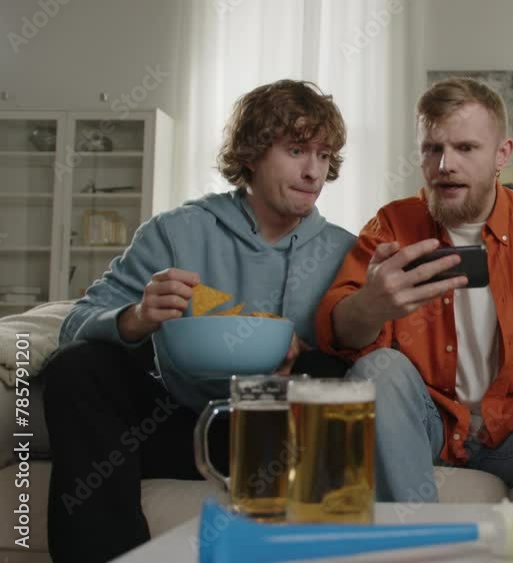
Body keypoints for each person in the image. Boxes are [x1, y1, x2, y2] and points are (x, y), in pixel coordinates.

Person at [41, 79, 356, 563]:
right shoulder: (175, 231)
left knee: (326, 372)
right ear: (251, 154)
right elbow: (74, 325)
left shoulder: (344, 250)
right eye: (296, 151)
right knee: (77, 366)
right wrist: (137, 317)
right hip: (177, 425)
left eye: (324, 155)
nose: (314, 171)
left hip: (277, 434)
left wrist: (306, 355)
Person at [315, 78, 513, 502]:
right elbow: (338, 330)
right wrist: (370, 305)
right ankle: (414, 532)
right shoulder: (391, 226)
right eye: (432, 149)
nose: (445, 165)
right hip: (430, 424)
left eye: (466, 148)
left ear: (502, 155)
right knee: (378, 369)